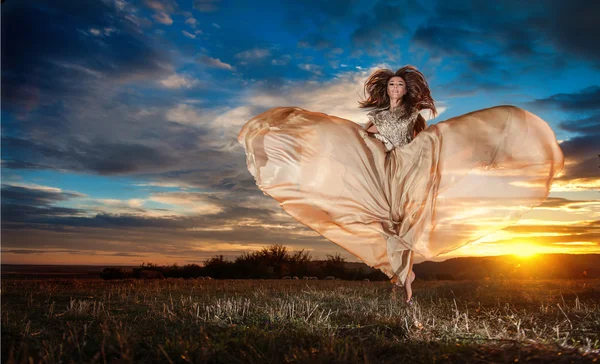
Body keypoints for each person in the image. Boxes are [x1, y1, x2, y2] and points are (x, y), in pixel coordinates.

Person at [238, 65, 564, 303]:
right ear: (386, 89)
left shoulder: (413, 113)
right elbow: (363, 137)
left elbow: (425, 140)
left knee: (406, 222)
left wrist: (436, 154)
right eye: (391, 85)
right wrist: (357, 146)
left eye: (399, 85)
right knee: (385, 221)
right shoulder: (378, 118)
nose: (395, 89)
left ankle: (406, 281)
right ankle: (400, 273)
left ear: (406, 89)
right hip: (385, 167)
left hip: (408, 168)